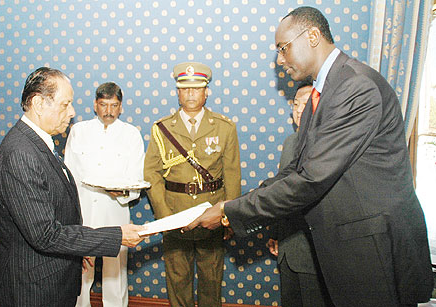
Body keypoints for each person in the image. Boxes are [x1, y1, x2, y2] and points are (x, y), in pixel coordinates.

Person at [184, 6, 434, 306]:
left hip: (372, 247)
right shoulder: (323, 92)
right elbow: (294, 170)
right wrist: (228, 206)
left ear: (313, 36)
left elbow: (311, 179)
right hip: (349, 245)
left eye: (283, 48)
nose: (279, 59)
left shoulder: (355, 86)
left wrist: (230, 211)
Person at [0, 67, 145, 307]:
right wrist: (117, 235)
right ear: (39, 104)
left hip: (50, 278)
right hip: (32, 288)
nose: (72, 112)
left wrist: (77, 247)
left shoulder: (36, 143)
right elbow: (45, 235)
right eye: (65, 104)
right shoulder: (20, 154)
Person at [144, 62, 241, 307]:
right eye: (184, 89)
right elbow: (151, 174)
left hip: (212, 214)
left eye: (196, 88)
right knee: (178, 280)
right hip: (175, 214)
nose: (190, 94)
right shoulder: (162, 128)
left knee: (211, 279)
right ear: (177, 92)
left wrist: (228, 216)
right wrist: (165, 216)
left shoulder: (224, 127)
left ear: (206, 91)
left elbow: (232, 175)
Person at [64, 82, 145, 307]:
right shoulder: (78, 131)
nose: (108, 111)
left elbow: (136, 178)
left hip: (115, 212)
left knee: (115, 274)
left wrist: (124, 192)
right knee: (81, 271)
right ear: (94, 105)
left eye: (114, 105)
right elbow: (68, 175)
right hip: (83, 212)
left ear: (121, 107)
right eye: (103, 105)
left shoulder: (131, 134)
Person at [267, 78, 332, 307]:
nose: (299, 110)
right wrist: (276, 232)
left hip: (316, 256)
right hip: (287, 250)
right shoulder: (290, 143)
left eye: (306, 103)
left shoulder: (330, 146)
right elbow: (282, 194)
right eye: (296, 104)